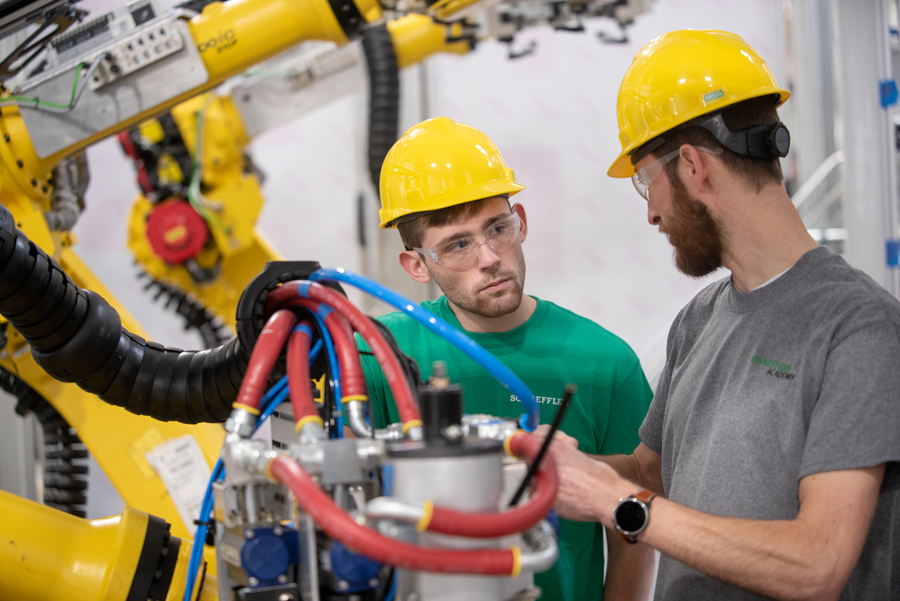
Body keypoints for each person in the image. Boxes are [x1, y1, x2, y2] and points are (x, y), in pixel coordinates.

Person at [542, 29, 900, 600]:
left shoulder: (858, 328)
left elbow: (818, 564)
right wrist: (561, 470)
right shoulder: (699, 319)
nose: (652, 214)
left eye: (644, 182)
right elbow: (652, 472)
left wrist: (619, 506)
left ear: (691, 167)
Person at [359, 116, 656, 601]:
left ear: (522, 223)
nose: (489, 257)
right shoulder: (377, 356)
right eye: (457, 244)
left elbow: (637, 518)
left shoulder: (604, 362)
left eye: (497, 228)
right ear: (416, 265)